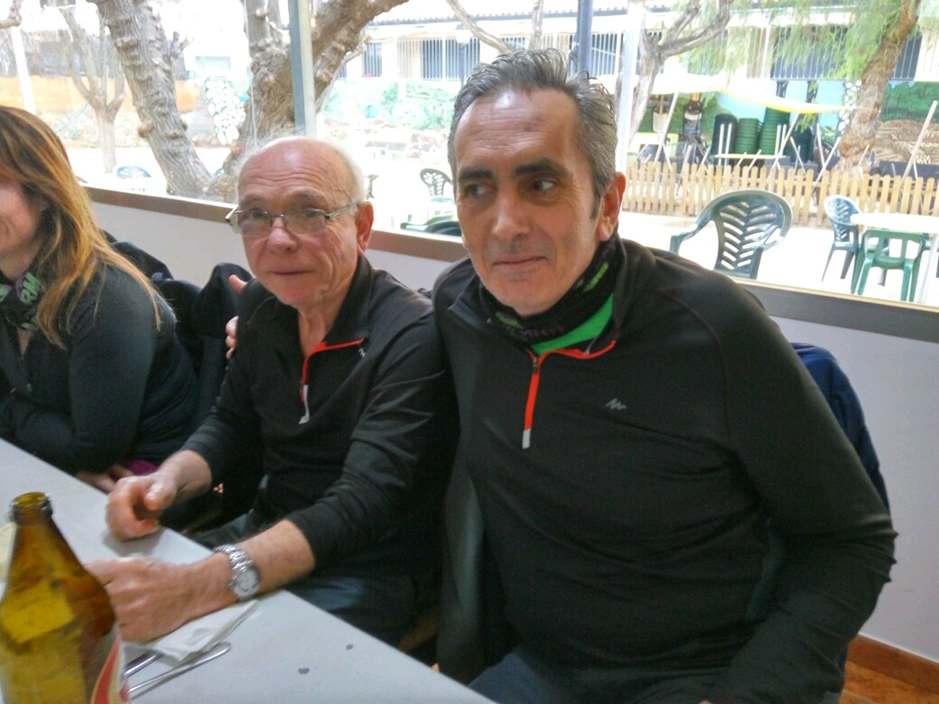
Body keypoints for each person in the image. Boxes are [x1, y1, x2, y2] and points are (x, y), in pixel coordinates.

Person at [432, 49, 895, 704]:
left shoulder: (713, 330)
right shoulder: (459, 310)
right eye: (476, 188)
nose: (504, 225)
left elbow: (850, 541)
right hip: (540, 666)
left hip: (699, 676)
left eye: (540, 185)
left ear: (607, 203)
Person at [89, 137, 453, 646]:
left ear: (362, 226)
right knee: (105, 619)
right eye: (256, 216)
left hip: (369, 568)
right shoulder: (263, 304)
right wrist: (165, 483)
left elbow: (362, 503)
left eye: (309, 213)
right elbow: (229, 424)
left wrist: (199, 585)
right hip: (265, 531)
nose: (278, 240)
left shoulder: (411, 335)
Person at [0, 106, 197, 491]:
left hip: (147, 482)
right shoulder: (7, 284)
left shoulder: (105, 297)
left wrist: (10, 410)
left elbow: (93, 450)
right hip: (54, 464)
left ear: (44, 193)